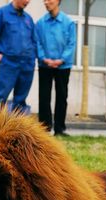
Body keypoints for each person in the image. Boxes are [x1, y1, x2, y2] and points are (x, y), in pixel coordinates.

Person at [0, 0, 37, 112]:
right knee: (0, 98)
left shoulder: (28, 18)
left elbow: (34, 40)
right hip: (9, 63)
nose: (28, 1)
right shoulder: (1, 13)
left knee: (20, 101)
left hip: (27, 65)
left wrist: (32, 57)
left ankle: (17, 124)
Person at [35, 0, 76, 136]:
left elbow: (71, 44)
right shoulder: (40, 23)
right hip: (45, 65)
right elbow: (37, 43)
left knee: (62, 97)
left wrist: (61, 59)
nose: (46, 2)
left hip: (63, 66)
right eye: (44, 0)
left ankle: (60, 128)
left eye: (49, 0)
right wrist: (43, 58)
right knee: (44, 97)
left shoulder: (68, 23)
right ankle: (44, 129)